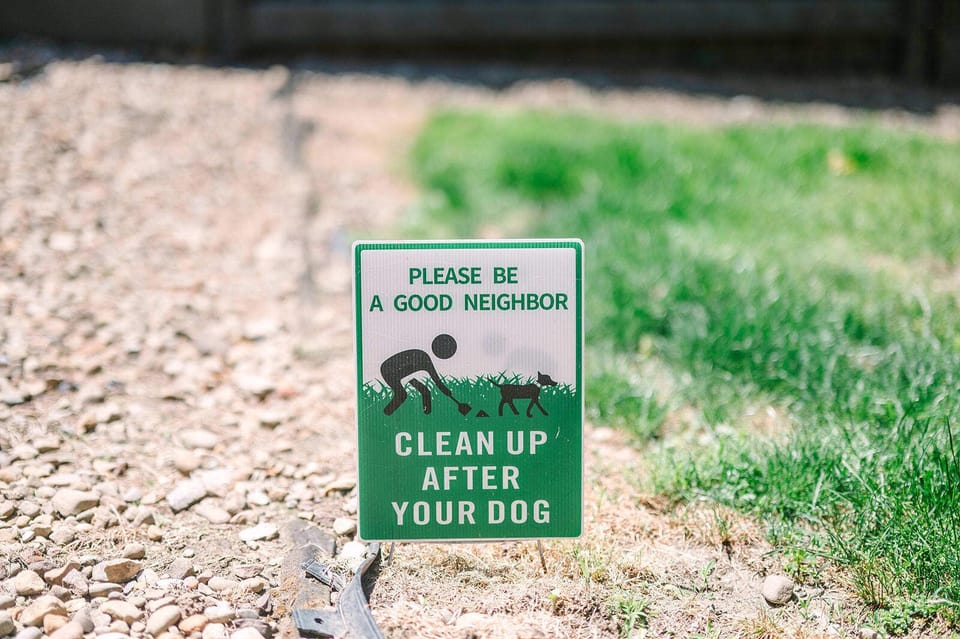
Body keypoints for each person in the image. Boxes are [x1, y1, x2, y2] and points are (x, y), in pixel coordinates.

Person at [380, 334, 458, 416]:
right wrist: (447, 391)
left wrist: (447, 392)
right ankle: (385, 414)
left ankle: (427, 413)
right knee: (402, 395)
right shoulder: (424, 359)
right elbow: (438, 382)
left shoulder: (425, 359)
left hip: (399, 370)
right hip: (388, 370)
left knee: (424, 391)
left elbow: (437, 382)